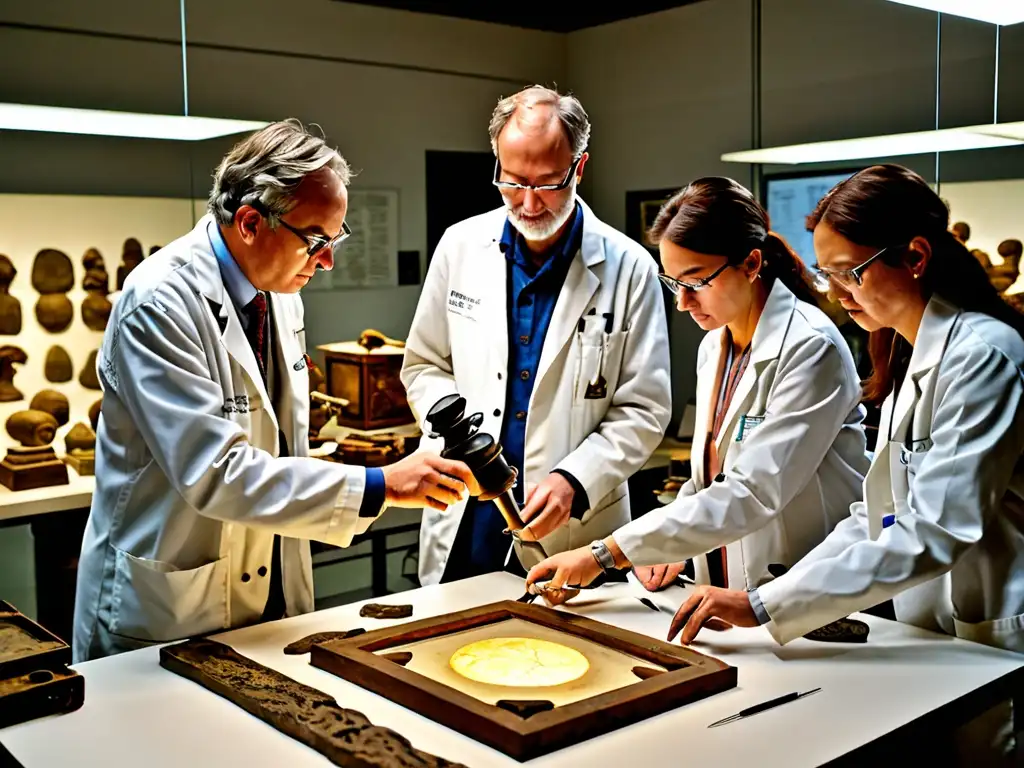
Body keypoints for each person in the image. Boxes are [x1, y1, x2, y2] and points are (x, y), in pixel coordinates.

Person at [73, 120, 473, 661]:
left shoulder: (279, 294)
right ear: (249, 222)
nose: (328, 261)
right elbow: (215, 472)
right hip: (170, 605)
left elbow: (281, 436)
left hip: (265, 587)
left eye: (336, 239)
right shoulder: (159, 304)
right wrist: (381, 484)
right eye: (316, 241)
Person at [663, 164, 1024, 655]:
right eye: (827, 274)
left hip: (994, 632)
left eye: (848, 273)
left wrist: (766, 604)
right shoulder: (907, 353)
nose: (835, 291)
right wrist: (768, 600)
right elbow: (874, 515)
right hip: (929, 627)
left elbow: (936, 526)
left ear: (915, 257)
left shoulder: (985, 355)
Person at [524, 177, 869, 600]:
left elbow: (752, 491)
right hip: (725, 590)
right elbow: (711, 481)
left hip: (806, 588)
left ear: (751, 263)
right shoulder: (715, 347)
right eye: (673, 283)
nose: (682, 303)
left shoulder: (811, 347)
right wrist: (667, 545)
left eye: (696, 281)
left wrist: (606, 553)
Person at [401, 85, 671, 585]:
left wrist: (575, 479)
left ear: (579, 169)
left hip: (575, 528)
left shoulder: (629, 266)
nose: (527, 202)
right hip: (467, 518)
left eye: (547, 184)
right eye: (512, 181)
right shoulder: (460, 246)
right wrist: (455, 431)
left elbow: (644, 408)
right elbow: (424, 364)